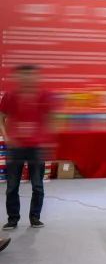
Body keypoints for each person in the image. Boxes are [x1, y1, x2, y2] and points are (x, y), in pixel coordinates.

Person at [1, 65, 56, 230]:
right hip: (15, 147)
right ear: (18, 77)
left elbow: (50, 119)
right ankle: (13, 219)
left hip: (36, 147)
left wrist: (48, 141)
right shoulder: (10, 96)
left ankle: (35, 217)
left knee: (37, 185)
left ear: (36, 77)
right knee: (12, 186)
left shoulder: (44, 96)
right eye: (24, 75)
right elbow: (1, 117)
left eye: (30, 75)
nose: (27, 78)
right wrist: (6, 137)